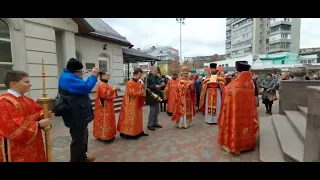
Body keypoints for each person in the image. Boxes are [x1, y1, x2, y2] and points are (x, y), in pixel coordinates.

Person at [0, 70, 52, 162]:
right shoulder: (4, 102)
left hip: (33, 144)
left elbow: (37, 111)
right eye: (26, 82)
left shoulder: (26, 99)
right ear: (13, 84)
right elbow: (12, 127)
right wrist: (38, 125)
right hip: (16, 147)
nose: (30, 85)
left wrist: (44, 114)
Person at [58, 58, 98, 162]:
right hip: (75, 114)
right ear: (76, 71)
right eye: (81, 71)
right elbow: (86, 87)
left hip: (79, 112)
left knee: (83, 137)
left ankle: (82, 158)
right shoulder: (68, 78)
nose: (81, 74)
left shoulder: (69, 76)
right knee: (78, 141)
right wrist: (93, 75)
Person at [217, 62, 259, 154]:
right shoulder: (251, 82)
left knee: (236, 125)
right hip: (247, 111)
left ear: (239, 71)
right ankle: (247, 144)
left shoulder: (235, 85)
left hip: (236, 112)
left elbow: (226, 90)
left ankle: (236, 145)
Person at [117, 68, 149, 139]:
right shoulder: (129, 83)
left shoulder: (139, 82)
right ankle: (130, 134)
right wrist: (141, 91)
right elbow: (131, 93)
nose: (140, 77)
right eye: (139, 75)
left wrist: (143, 88)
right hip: (130, 104)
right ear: (135, 74)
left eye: (141, 75)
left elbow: (141, 91)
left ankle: (139, 132)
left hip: (137, 103)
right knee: (131, 118)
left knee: (138, 118)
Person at [93, 71, 118, 143]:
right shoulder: (101, 85)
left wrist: (113, 90)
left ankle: (106, 135)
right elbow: (105, 95)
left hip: (108, 106)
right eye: (108, 75)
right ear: (102, 76)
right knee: (105, 121)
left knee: (108, 120)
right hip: (104, 107)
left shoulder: (105, 84)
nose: (109, 76)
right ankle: (106, 136)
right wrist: (113, 89)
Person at [146, 66, 163, 131]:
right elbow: (147, 87)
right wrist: (155, 86)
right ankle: (150, 124)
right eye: (155, 70)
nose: (157, 72)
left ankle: (155, 123)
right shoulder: (148, 77)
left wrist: (161, 85)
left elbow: (159, 83)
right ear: (152, 71)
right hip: (151, 96)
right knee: (152, 111)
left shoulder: (157, 77)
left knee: (157, 110)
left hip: (157, 95)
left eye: (156, 70)